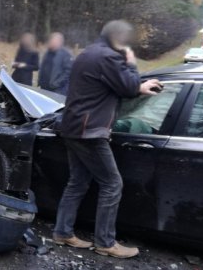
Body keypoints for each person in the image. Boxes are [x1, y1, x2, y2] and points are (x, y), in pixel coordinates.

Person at [53, 20, 162, 259]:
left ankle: (62, 232)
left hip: (72, 127)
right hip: (89, 131)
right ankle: (105, 242)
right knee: (112, 184)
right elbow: (128, 87)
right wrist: (132, 64)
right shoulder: (108, 57)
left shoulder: (88, 53)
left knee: (78, 182)